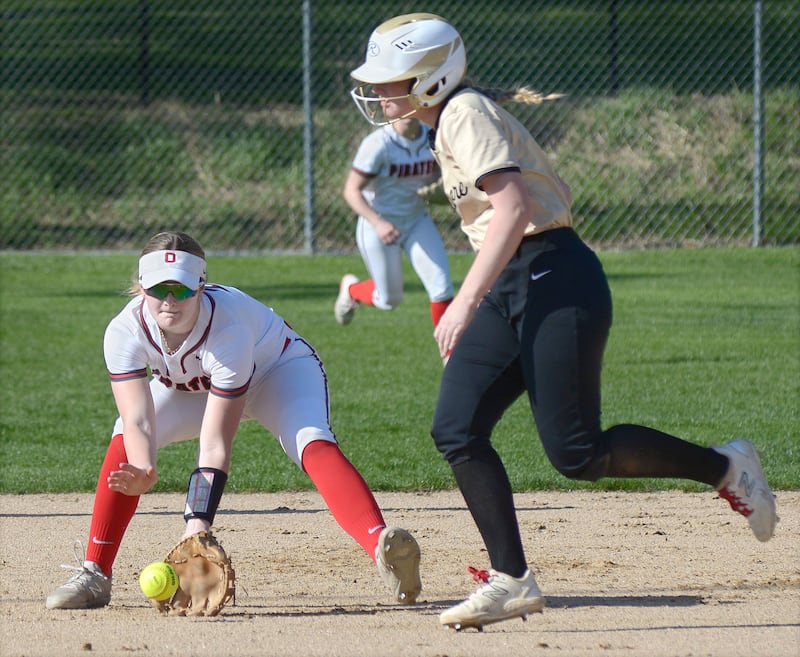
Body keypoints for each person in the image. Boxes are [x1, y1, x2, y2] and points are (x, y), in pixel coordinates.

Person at [349, 13, 778, 631]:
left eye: (393, 79)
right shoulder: (447, 121)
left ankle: (727, 468)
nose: (382, 92)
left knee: (577, 453)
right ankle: (511, 580)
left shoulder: (464, 113)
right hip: (512, 281)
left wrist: (464, 303)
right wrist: (484, 301)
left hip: (554, 276)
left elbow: (514, 208)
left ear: (432, 79)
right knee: (457, 427)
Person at [46, 231, 421, 610]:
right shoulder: (123, 331)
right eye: (160, 289)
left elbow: (214, 445)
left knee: (310, 439)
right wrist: (143, 467)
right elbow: (138, 420)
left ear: (201, 286)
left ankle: (381, 546)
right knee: (123, 437)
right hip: (192, 388)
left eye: (182, 288)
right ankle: (95, 572)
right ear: (142, 287)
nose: (170, 301)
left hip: (278, 370)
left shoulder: (226, 328)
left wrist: (197, 527)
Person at [335, 116, 454, 337]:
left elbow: (440, 175)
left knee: (442, 287)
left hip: (416, 219)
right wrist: (378, 223)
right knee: (389, 300)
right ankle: (351, 290)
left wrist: (443, 188)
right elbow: (351, 191)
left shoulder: (433, 134)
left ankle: (451, 358)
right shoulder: (379, 143)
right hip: (377, 223)